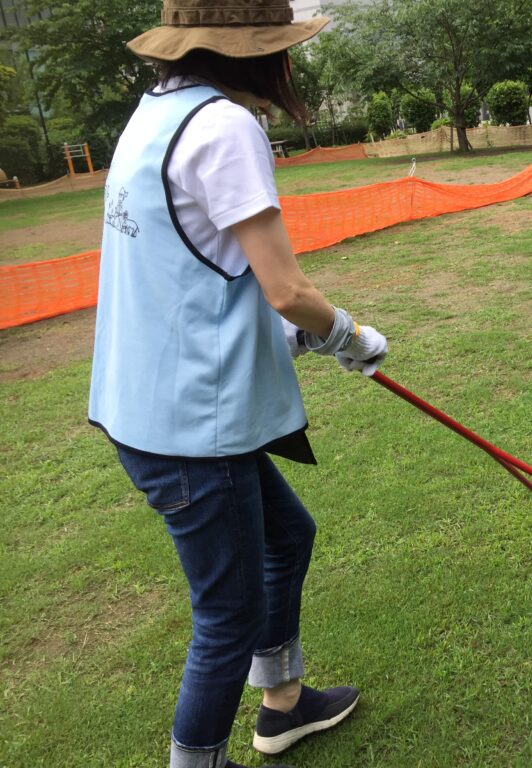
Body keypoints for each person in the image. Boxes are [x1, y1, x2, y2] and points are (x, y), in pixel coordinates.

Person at [87, 2, 388, 767]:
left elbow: (194, 268)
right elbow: (284, 287)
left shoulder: (154, 114)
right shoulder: (225, 127)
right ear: (257, 52)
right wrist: (348, 336)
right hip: (190, 426)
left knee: (288, 537)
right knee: (227, 614)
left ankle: (283, 706)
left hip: (147, 410)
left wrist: (287, 334)